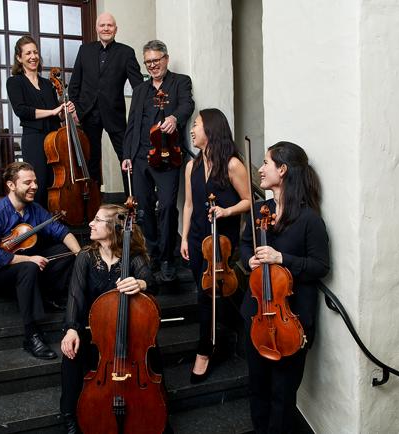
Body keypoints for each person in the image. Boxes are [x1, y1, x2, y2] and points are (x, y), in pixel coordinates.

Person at [240, 141, 330, 433]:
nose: (261, 169)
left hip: (291, 321)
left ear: (283, 169)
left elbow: (320, 266)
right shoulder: (259, 210)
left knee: (282, 394)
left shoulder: (309, 220)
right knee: (257, 387)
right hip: (256, 315)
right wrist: (249, 260)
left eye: (266, 163)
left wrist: (282, 259)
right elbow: (244, 247)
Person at [59, 204, 158, 433]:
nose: (90, 224)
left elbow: (152, 282)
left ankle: (151, 411)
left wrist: (140, 283)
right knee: (71, 354)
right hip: (94, 330)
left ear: (114, 227)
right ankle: (69, 416)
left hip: (127, 331)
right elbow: (75, 296)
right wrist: (71, 329)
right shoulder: (86, 256)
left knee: (149, 349)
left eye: (97, 220)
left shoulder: (133, 256)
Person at [0, 162, 81, 359]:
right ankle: (31, 334)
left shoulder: (35, 209)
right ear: (11, 185)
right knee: (28, 268)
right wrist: (27, 258)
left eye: (35, 181)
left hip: (28, 269)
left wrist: (80, 254)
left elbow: (61, 232)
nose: (34, 186)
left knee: (64, 251)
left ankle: (49, 295)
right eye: (28, 182)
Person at [180, 108, 251, 383]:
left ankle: (204, 351)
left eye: (196, 125)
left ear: (210, 130)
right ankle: (213, 337)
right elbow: (188, 205)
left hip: (222, 241)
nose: (192, 130)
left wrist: (226, 211)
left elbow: (248, 201)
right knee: (205, 291)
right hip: (198, 239)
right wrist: (184, 238)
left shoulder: (232, 165)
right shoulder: (192, 166)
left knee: (206, 294)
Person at [122, 39, 194, 282]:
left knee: (165, 207)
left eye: (156, 60)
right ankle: (151, 253)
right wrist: (127, 155)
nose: (153, 66)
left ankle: (167, 258)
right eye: (148, 62)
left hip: (167, 156)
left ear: (166, 59)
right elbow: (132, 124)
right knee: (143, 210)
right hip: (141, 156)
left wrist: (175, 117)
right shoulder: (141, 89)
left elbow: (187, 104)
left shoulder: (180, 82)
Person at [68, 12, 144, 189]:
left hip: (114, 114)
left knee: (126, 157)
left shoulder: (126, 52)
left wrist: (138, 114)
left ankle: (131, 201)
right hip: (87, 114)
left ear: (116, 29)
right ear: (96, 28)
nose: (106, 28)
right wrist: (76, 111)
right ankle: (93, 203)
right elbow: (74, 85)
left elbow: (139, 87)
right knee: (90, 160)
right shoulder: (84, 50)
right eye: (102, 25)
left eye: (109, 25)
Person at [7, 35, 75, 208]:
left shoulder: (47, 84)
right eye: (28, 53)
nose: (33, 57)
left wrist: (64, 112)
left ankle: (55, 221)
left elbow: (56, 115)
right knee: (38, 184)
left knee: (55, 182)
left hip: (54, 140)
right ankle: (37, 228)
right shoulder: (15, 82)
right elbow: (22, 110)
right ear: (19, 58)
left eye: (35, 52)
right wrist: (53, 110)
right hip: (34, 139)